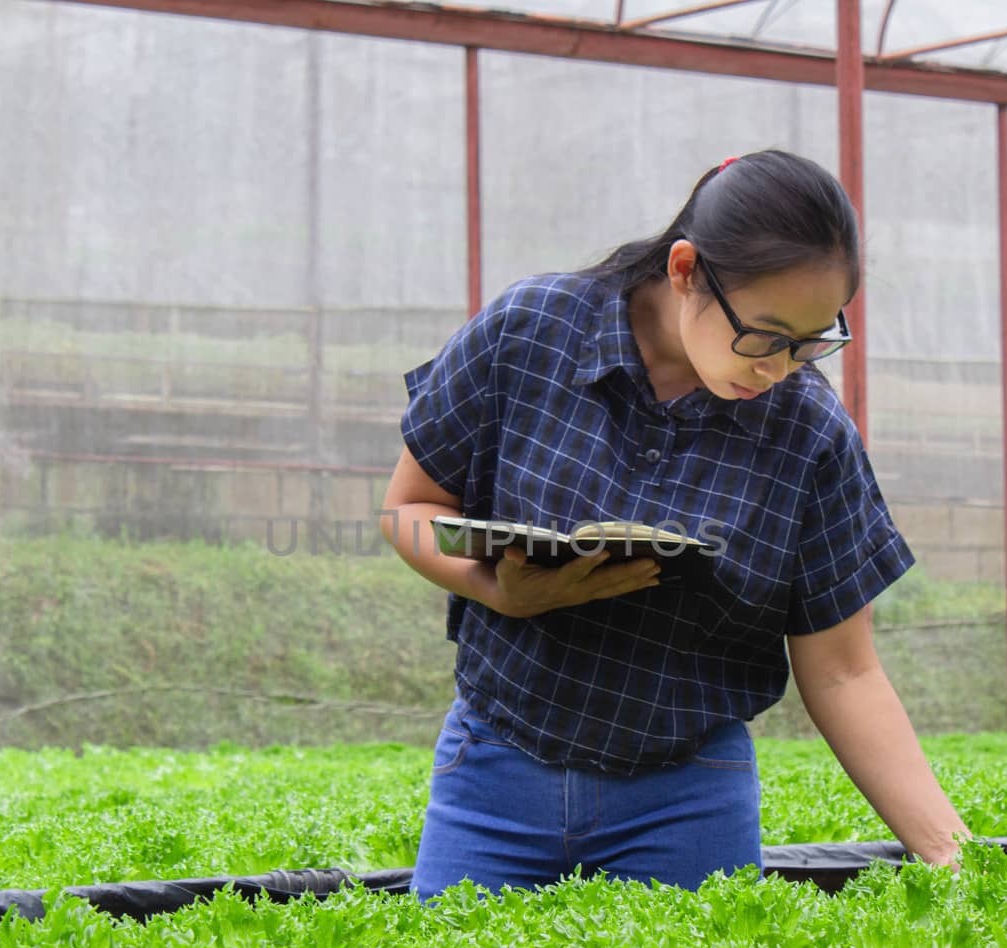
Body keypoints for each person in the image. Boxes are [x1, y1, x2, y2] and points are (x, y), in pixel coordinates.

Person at [379, 149, 971, 901]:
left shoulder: (808, 431)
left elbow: (846, 669)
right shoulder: (529, 334)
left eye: (811, 340)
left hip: (689, 800)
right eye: (763, 335)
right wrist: (498, 590)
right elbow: (410, 506)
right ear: (687, 270)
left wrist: (955, 862)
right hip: (495, 772)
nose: (779, 368)